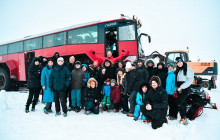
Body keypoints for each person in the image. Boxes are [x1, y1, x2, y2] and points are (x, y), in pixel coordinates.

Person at [174, 57, 194, 125]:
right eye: (177, 63)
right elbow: (179, 80)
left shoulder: (188, 69)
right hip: (180, 88)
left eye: (180, 62)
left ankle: (184, 118)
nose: (179, 64)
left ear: (182, 61)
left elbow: (190, 80)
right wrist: (178, 87)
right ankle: (184, 116)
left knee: (179, 102)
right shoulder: (179, 69)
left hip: (185, 88)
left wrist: (181, 87)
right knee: (183, 103)